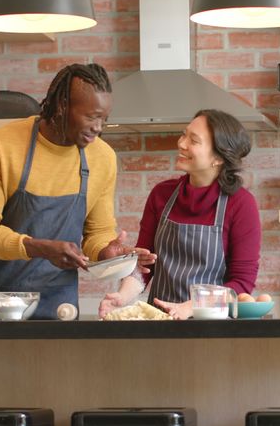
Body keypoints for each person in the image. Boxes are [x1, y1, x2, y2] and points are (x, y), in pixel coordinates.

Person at [0, 63, 154, 320]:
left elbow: (96, 234)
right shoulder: (1, 145)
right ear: (63, 105)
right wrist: (40, 247)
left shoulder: (103, 157)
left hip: (60, 306)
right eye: (91, 116)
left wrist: (107, 253)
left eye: (104, 119)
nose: (98, 127)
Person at [99, 109, 261, 319]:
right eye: (184, 134)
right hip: (160, 323)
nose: (181, 143)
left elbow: (241, 284)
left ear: (218, 157)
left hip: (213, 327)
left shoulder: (240, 204)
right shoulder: (161, 195)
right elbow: (144, 265)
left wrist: (191, 307)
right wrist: (121, 297)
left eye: (193, 140)